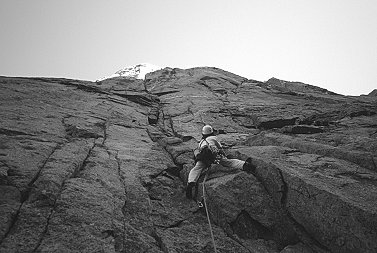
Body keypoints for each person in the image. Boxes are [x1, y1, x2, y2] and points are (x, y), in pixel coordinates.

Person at [186, 125, 252, 199]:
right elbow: (220, 148)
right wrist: (224, 155)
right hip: (214, 156)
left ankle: (191, 182)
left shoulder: (201, 142)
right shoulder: (213, 138)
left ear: (203, 133)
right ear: (211, 132)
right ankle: (244, 165)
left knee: (197, 168)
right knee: (228, 162)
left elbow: (198, 151)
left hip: (203, 157)